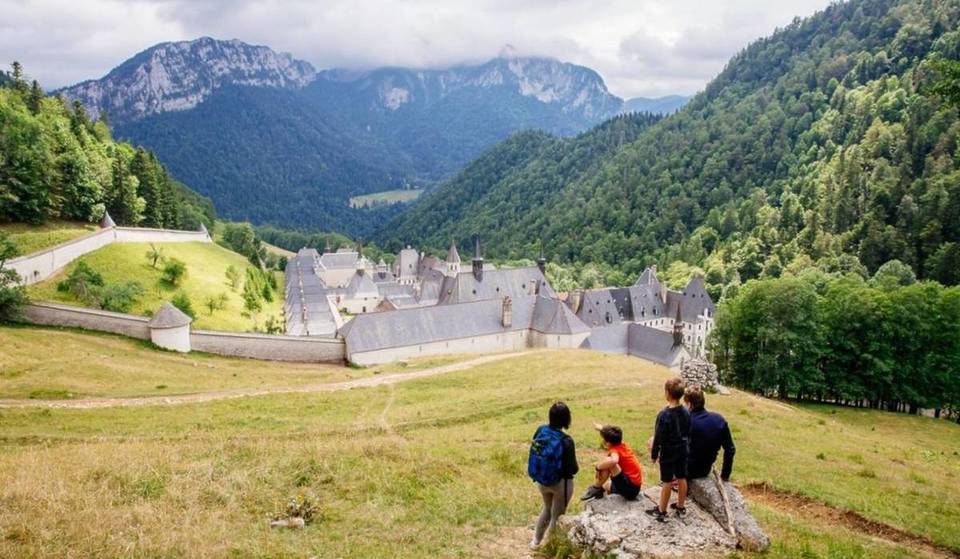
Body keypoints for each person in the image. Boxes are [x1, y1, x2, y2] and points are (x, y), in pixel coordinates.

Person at [527, 401, 579, 549]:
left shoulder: (540, 430)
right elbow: (573, 469)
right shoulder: (566, 440)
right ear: (566, 418)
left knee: (546, 509)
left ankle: (535, 542)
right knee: (557, 516)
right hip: (560, 483)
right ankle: (551, 546)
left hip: (542, 480)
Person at [647, 377, 691, 522]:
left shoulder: (664, 415)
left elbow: (658, 437)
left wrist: (654, 455)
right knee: (681, 477)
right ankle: (680, 506)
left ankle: (662, 510)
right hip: (683, 449)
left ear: (667, 393)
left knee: (667, 480)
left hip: (668, 451)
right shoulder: (686, 411)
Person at [684, 385, 736, 480]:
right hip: (705, 469)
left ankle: (671, 480)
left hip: (686, 470)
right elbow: (730, 449)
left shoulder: (686, 422)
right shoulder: (719, 420)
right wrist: (725, 475)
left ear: (689, 404)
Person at [579, 423, 643, 502]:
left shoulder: (615, 451)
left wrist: (598, 467)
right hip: (633, 486)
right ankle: (598, 491)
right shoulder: (621, 444)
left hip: (630, 489)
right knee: (606, 486)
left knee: (610, 463)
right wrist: (601, 428)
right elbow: (612, 435)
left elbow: (614, 461)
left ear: (608, 443)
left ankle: (595, 488)